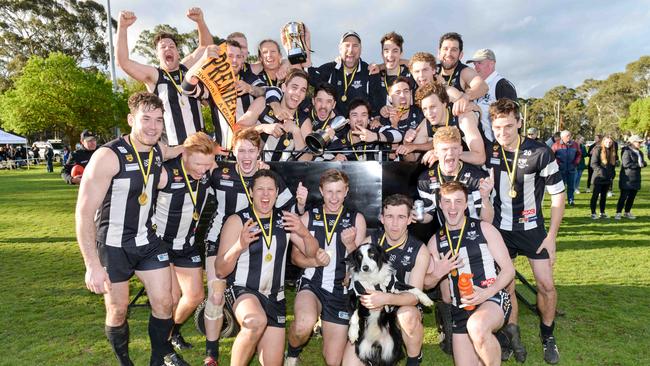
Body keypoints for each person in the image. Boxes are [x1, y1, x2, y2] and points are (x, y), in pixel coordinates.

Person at [75, 92, 185, 366]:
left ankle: (157, 361)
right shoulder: (107, 156)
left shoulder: (158, 149)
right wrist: (92, 265)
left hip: (146, 240)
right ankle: (125, 362)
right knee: (118, 310)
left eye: (158, 120)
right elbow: (84, 213)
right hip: (113, 245)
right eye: (145, 119)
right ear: (130, 119)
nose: (152, 126)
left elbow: (176, 149)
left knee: (166, 303)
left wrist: (202, 145)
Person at [202, 128, 304, 366]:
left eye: (251, 151)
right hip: (220, 240)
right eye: (241, 151)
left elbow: (289, 210)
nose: (246, 156)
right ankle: (212, 354)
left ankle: (254, 330)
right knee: (216, 294)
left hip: (256, 240)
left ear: (259, 152)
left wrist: (300, 205)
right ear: (233, 151)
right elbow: (196, 192)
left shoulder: (269, 176)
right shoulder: (219, 173)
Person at [485, 99, 565, 364]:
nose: (503, 133)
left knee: (546, 285)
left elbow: (558, 197)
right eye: (497, 128)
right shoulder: (489, 152)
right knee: (505, 286)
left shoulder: (540, 152)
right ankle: (511, 334)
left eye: (508, 126)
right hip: (501, 231)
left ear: (519, 123)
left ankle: (547, 334)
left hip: (533, 230)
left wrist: (551, 237)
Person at [214, 169, 320, 366]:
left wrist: (304, 233)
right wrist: (239, 245)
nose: (265, 194)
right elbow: (220, 270)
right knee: (255, 321)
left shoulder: (285, 219)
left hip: (275, 298)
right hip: (244, 290)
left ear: (277, 192)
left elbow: (312, 252)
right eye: (260, 189)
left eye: (270, 189)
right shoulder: (237, 220)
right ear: (251, 192)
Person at [424, 181, 515, 366]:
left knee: (477, 327)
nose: (452, 207)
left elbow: (508, 271)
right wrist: (437, 274)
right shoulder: (435, 242)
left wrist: (486, 292)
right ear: (440, 204)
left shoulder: (485, 229)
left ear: (466, 204)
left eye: (458, 201)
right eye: (447, 201)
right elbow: (426, 284)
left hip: (493, 298)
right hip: (460, 308)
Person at [286, 169, 367, 366]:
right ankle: (292, 354)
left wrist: (350, 246)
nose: (334, 197)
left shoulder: (356, 219)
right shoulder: (308, 217)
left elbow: (362, 266)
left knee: (333, 361)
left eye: (339, 192)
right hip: (312, 284)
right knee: (303, 325)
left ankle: (325, 322)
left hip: (341, 290)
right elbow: (295, 258)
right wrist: (314, 262)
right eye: (329, 191)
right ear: (321, 191)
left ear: (346, 191)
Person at [342, 194, 431, 366]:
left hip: (401, 306)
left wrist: (386, 299)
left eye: (401, 217)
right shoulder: (371, 242)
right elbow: (353, 275)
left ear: (410, 219)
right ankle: (373, 348)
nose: (395, 223)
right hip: (373, 311)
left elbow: (414, 297)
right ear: (382, 219)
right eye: (389, 217)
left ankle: (414, 359)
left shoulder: (419, 250)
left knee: (408, 315)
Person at [153, 132, 218, 353]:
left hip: (187, 243)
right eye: (199, 163)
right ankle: (163, 349)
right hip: (160, 244)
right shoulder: (166, 173)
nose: (203, 169)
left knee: (195, 296)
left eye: (207, 165)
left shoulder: (207, 172)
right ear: (185, 154)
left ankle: (172, 332)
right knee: (172, 297)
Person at [116, 8, 212, 146]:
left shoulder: (188, 68)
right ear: (157, 55)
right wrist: (122, 27)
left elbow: (206, 48)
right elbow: (123, 62)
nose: (168, 49)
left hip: (199, 146)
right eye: (163, 47)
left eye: (172, 46)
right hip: (171, 150)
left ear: (178, 53)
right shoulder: (155, 75)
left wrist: (200, 21)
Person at [417, 126, 494, 232]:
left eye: (454, 148)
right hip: (446, 236)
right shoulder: (426, 180)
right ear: (435, 152)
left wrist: (485, 198)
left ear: (461, 150)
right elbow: (429, 215)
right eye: (444, 149)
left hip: (475, 235)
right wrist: (416, 216)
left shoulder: (476, 178)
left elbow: (487, 220)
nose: (450, 153)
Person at [237, 69, 310, 161]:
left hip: (282, 174)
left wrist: (296, 132)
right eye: (294, 87)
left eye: (302, 90)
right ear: (284, 87)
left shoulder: (304, 121)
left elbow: (307, 160)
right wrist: (262, 128)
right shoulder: (263, 103)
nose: (298, 93)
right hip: (254, 169)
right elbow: (236, 129)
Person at [417, 81, 486, 165]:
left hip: (477, 168)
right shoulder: (427, 122)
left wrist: (442, 155)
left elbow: (480, 158)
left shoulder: (463, 117)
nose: (429, 113)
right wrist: (407, 142)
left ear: (444, 104)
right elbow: (411, 158)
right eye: (425, 109)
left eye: (433, 107)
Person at [306, 31, 372, 115]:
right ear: (340, 49)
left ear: (360, 49)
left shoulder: (369, 72)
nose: (351, 50)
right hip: (333, 126)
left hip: (359, 126)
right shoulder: (330, 69)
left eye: (355, 46)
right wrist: (306, 41)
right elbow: (307, 71)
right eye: (347, 45)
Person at [467, 48, 518, 142]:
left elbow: (512, 119)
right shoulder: (475, 86)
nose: (476, 67)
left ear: (491, 64)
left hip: (497, 146)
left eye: (480, 63)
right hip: (480, 144)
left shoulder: (502, 85)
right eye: (474, 64)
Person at [436, 33, 488, 112]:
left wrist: (465, 97)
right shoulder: (432, 70)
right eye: (445, 49)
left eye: (454, 50)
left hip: (458, 121)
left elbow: (482, 86)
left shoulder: (464, 71)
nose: (449, 54)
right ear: (439, 53)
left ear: (460, 55)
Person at [369, 31, 414, 117]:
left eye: (395, 51)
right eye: (386, 51)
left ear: (401, 53)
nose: (390, 55)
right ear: (382, 54)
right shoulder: (375, 76)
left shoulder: (410, 74)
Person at [615, 135, 646, 219]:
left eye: (640, 142)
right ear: (632, 142)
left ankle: (627, 212)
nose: (640, 143)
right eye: (638, 142)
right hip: (627, 178)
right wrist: (639, 165)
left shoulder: (640, 152)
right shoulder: (626, 151)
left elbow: (643, 162)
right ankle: (618, 212)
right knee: (623, 196)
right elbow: (626, 164)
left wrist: (643, 164)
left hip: (636, 177)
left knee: (632, 196)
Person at [551, 130, 581, 206]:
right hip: (560, 170)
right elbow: (551, 156)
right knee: (561, 187)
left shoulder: (575, 145)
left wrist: (576, 162)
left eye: (570, 135)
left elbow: (579, 154)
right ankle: (560, 201)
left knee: (571, 186)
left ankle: (571, 200)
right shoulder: (556, 145)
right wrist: (557, 164)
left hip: (572, 169)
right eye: (567, 136)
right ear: (562, 137)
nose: (569, 137)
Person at [590, 136, 616, 219]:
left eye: (610, 142)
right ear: (603, 142)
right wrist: (602, 173)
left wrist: (612, 174)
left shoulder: (612, 151)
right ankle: (593, 213)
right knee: (595, 196)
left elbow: (612, 165)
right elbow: (593, 164)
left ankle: (602, 212)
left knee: (604, 196)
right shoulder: (598, 149)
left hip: (607, 178)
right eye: (607, 142)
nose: (608, 144)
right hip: (598, 178)